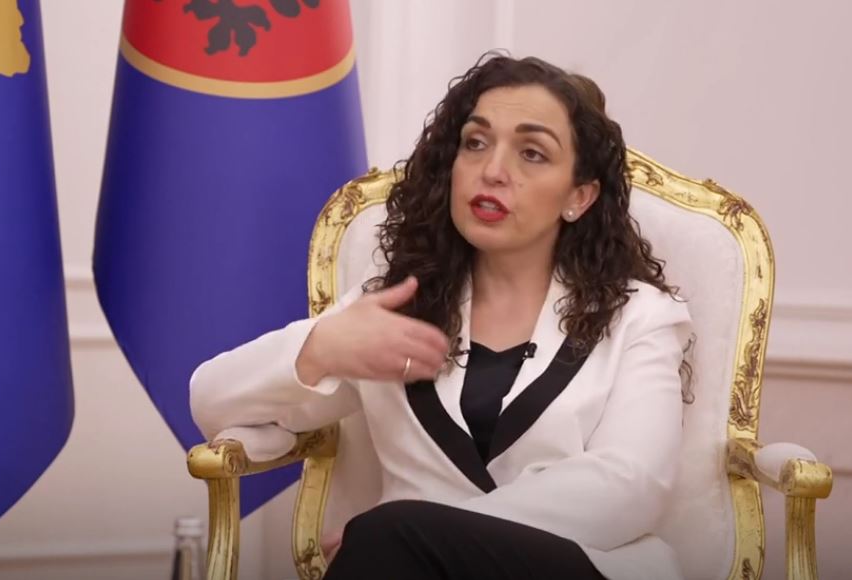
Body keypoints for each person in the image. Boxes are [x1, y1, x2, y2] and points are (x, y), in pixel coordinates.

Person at [190, 54, 694, 580]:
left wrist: (420, 531)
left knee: (389, 539)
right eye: (475, 143)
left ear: (579, 196)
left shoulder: (641, 315)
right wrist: (319, 350)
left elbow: (631, 484)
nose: (492, 170)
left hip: (577, 566)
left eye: (532, 153)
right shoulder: (395, 305)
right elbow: (211, 404)